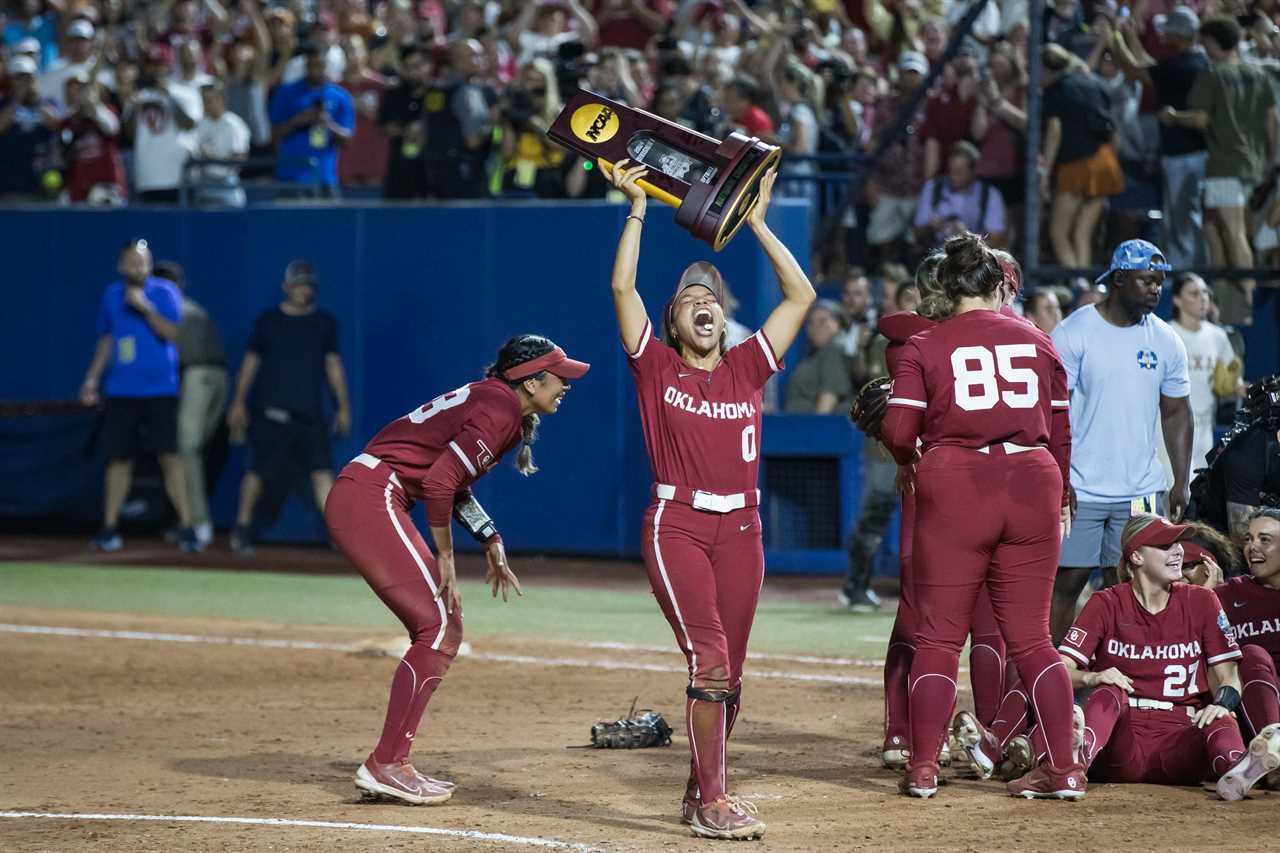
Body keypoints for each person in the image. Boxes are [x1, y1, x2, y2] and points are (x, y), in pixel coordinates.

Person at [603, 158, 813, 839]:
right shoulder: (655, 366)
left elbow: (800, 294)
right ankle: (716, 802)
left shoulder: (748, 367)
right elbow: (621, 284)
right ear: (673, 319)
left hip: (743, 531)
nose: (706, 306)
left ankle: (701, 793)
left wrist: (755, 223)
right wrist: (636, 206)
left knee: (734, 675)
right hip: (679, 525)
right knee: (712, 661)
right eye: (693, 301)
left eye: (716, 302)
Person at [325, 335, 588, 804]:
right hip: (371, 494)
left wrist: (490, 538)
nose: (566, 385)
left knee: (441, 626)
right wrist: (445, 555)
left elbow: (450, 481)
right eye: (559, 375)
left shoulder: (499, 403)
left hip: (370, 491)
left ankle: (390, 761)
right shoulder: (501, 409)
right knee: (441, 625)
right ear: (530, 380)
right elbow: (440, 481)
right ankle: (386, 764)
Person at [880, 232, 1079, 800]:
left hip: (958, 480)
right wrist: (1061, 491)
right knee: (1035, 639)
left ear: (945, 288)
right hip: (1033, 479)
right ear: (999, 286)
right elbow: (1060, 431)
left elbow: (898, 431)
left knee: (940, 637)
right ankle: (1063, 769)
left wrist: (911, 456)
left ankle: (923, 768)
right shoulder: (1040, 341)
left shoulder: (927, 345)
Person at [1058, 514, 1276, 800]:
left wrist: (1223, 702)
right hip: (1122, 739)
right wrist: (1092, 676)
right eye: (1165, 545)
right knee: (1108, 689)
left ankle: (1237, 769)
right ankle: (1076, 759)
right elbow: (1060, 669)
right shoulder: (1106, 602)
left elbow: (1229, 677)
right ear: (1136, 556)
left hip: (1181, 737)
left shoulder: (1202, 601)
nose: (1178, 552)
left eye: (1178, 544)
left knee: (1220, 717)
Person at [1050, 240, 1193, 644]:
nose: (1156, 290)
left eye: (1160, 282)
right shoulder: (1074, 332)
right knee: (1067, 583)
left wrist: (1179, 480)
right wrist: (1061, 478)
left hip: (1141, 491)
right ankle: (1047, 681)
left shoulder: (1165, 339)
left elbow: (1176, 411)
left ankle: (1130, 683)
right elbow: (1053, 411)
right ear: (1118, 279)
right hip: (1081, 487)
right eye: (1147, 280)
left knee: (1134, 588)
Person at [79, 240, 196, 553]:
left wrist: (145, 307)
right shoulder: (111, 296)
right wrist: (92, 378)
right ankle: (109, 528)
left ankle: (187, 527)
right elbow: (107, 341)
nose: (137, 268)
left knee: (170, 457)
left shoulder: (166, 293)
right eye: (131, 263)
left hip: (160, 390)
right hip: (121, 391)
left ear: (150, 264)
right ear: (121, 266)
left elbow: (171, 334)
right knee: (118, 459)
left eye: (142, 262)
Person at [226, 260, 351, 554]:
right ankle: (241, 530)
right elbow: (250, 364)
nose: (303, 290)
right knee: (257, 472)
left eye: (308, 285)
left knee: (322, 473)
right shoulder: (268, 322)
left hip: (309, 414)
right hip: (271, 413)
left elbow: (333, 366)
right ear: (286, 287)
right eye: (298, 284)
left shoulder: (324, 323)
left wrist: (342, 406)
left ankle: (339, 535)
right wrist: (238, 402)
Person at [1170, 16, 1277, 325]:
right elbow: (1272, 120)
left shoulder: (1214, 75)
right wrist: (1269, 159)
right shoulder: (1259, 73)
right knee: (1214, 225)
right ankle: (1222, 298)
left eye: (1205, 43)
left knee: (1233, 230)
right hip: (1255, 164)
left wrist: (1174, 116)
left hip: (1226, 163)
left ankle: (1247, 298)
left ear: (1215, 43)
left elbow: (1201, 120)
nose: (1203, 49)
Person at [1110, 6, 1209, 271]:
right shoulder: (1195, 61)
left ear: (1180, 35)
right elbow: (1149, 66)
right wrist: (1130, 36)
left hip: (1182, 154)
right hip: (1191, 153)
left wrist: (1114, 38)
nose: (1164, 36)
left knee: (1182, 216)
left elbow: (1134, 70)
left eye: (1170, 32)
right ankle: (1189, 267)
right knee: (1184, 214)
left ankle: (1185, 272)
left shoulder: (1182, 66)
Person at [154, 261, 227, 550]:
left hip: (199, 377)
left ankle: (197, 524)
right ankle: (189, 520)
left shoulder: (172, 308)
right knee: (190, 452)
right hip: (216, 378)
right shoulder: (192, 307)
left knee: (185, 451)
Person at [1040, 44, 1124, 269]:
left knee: (1058, 233)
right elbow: (1113, 130)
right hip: (1105, 161)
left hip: (1076, 165)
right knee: (1082, 233)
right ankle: (1085, 285)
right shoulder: (1095, 83)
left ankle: (1076, 286)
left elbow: (1055, 130)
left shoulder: (1056, 89)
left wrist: (1045, 172)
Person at [1157, 274, 1240, 484]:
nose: (1203, 298)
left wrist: (1236, 386)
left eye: (1206, 292)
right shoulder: (1166, 334)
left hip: (1203, 426)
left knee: (1200, 496)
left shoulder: (1218, 336)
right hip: (1169, 426)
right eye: (1194, 293)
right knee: (1172, 491)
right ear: (1176, 299)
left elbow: (1231, 381)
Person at [1214, 509, 1280, 753]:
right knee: (1251, 655)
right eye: (1249, 539)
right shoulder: (1227, 594)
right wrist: (1202, 597)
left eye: (1265, 540)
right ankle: (1272, 752)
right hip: (1251, 710)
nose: (1253, 547)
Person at [269, 43, 354, 197]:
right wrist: (298, 121)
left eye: (321, 66)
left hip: (325, 178)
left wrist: (328, 123)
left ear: (327, 66)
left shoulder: (341, 97)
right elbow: (273, 135)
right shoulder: (286, 93)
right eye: (312, 65)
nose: (317, 70)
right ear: (306, 66)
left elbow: (347, 140)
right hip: (291, 177)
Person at [912, 141, 1007, 248]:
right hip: (937, 254)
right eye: (951, 171)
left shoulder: (990, 195)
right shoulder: (933, 188)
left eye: (959, 172)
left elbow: (996, 240)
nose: (953, 177)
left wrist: (966, 236)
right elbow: (918, 232)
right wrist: (932, 228)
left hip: (974, 256)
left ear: (974, 171)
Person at [782, 299, 852, 414]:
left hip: (812, 427)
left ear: (838, 325)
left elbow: (830, 394)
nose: (815, 328)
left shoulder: (832, 352)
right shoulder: (814, 354)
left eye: (822, 322)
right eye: (811, 323)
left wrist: (817, 427)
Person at [193, 81, 250, 207]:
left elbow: (240, 158)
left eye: (209, 100)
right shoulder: (202, 124)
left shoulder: (234, 125)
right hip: (204, 185)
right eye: (203, 100)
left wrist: (212, 156)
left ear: (221, 99)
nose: (205, 105)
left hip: (226, 185)